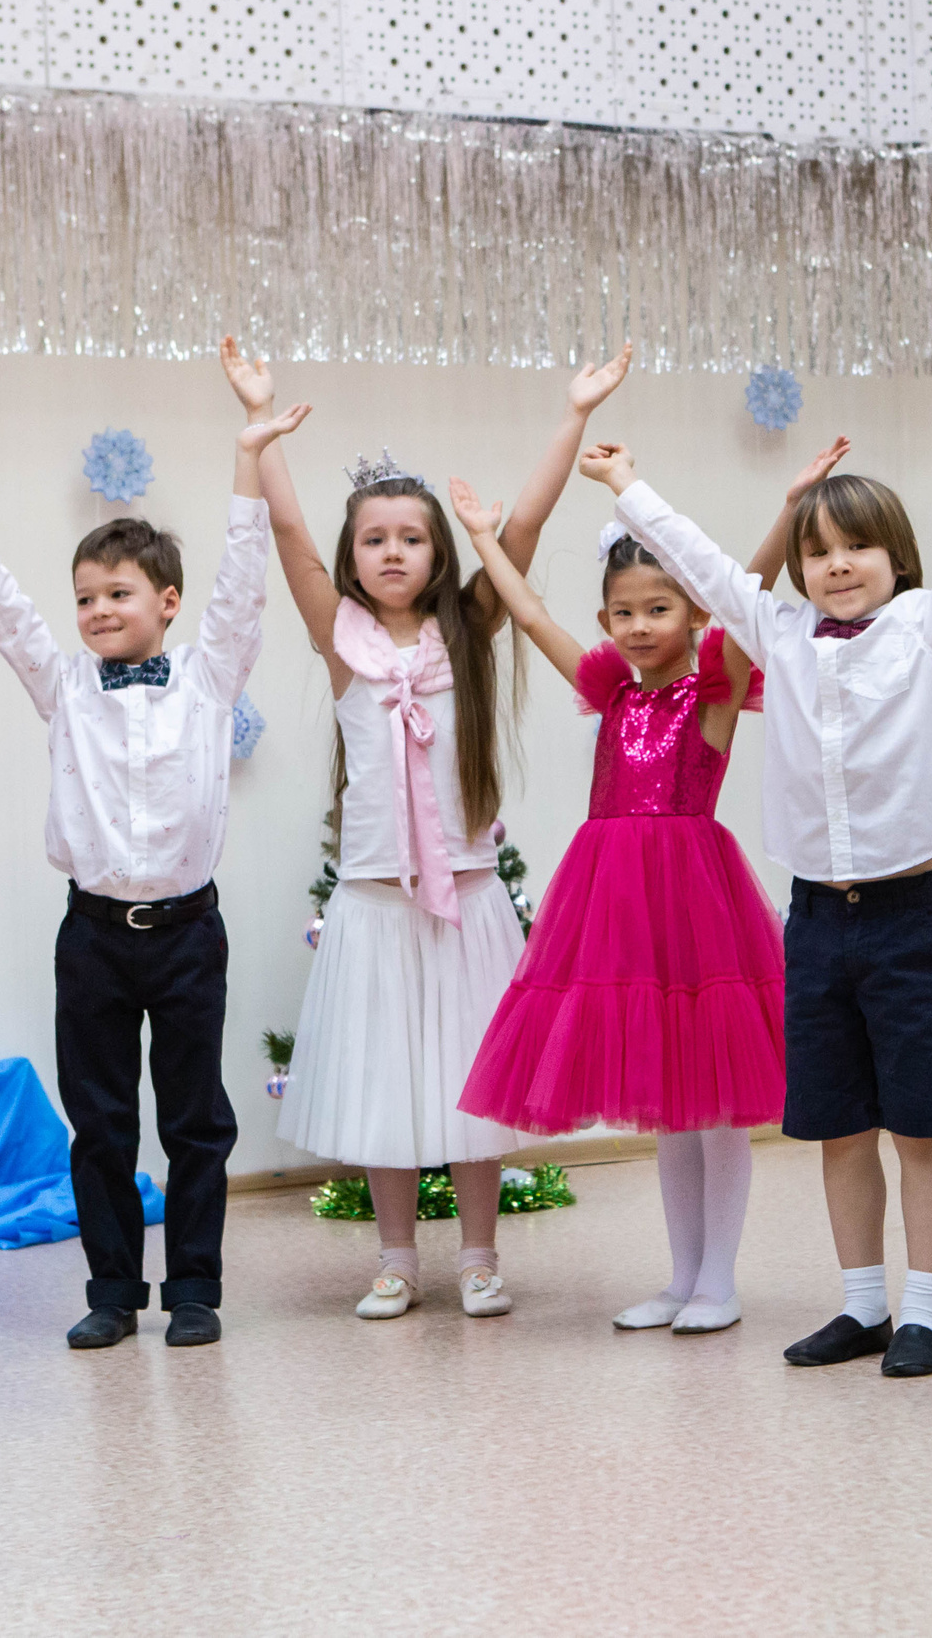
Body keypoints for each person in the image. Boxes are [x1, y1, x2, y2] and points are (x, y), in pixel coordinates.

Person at [593, 399, 932, 1379]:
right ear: (799, 570)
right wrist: (623, 486)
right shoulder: (776, 635)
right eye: (819, 552)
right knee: (839, 1127)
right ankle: (860, 1306)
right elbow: (707, 563)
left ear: (897, 558)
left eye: (858, 548)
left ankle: (925, 1314)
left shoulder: (929, 626)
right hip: (812, 925)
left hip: (907, 921)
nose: (837, 565)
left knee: (921, 1126)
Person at [0, 385, 309, 1352]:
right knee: (102, 1122)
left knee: (197, 1118)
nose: (96, 611)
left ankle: (194, 1286)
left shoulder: (206, 675)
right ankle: (113, 1287)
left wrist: (248, 456)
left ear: (165, 603)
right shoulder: (64, 684)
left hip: (190, 930)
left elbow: (244, 581)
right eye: (85, 597)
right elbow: (4, 611)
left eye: (118, 594)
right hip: (95, 935)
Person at [265, 339, 632, 1320]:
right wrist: (258, 436)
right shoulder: (338, 640)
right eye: (374, 538)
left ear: (438, 553)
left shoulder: (466, 632)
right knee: (386, 1093)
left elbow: (525, 522)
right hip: (377, 903)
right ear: (353, 557)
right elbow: (289, 531)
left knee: (474, 1089)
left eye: (411, 538)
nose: (391, 551)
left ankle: (477, 1256)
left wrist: (573, 413)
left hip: (465, 901)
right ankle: (396, 1259)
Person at [450, 486, 785, 1336]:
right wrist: (486, 538)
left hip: (694, 901)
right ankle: (681, 1278)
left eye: (660, 608)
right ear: (606, 618)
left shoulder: (711, 694)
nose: (639, 626)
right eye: (624, 612)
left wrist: (783, 508)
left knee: (713, 1105)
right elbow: (528, 617)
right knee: (671, 1106)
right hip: (612, 904)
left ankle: (720, 1281)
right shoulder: (614, 697)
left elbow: (748, 596)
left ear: (694, 608)